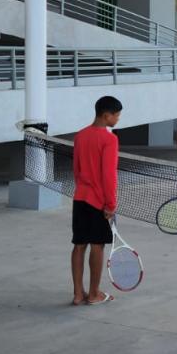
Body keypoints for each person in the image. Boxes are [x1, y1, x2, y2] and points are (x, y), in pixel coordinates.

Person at [71, 95, 122, 306]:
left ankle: (77, 294)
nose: (118, 119)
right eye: (116, 115)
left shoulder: (80, 136)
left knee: (79, 245)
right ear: (106, 115)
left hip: (80, 198)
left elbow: (76, 169)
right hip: (98, 202)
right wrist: (110, 204)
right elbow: (108, 175)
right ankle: (93, 294)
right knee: (97, 246)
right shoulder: (110, 139)